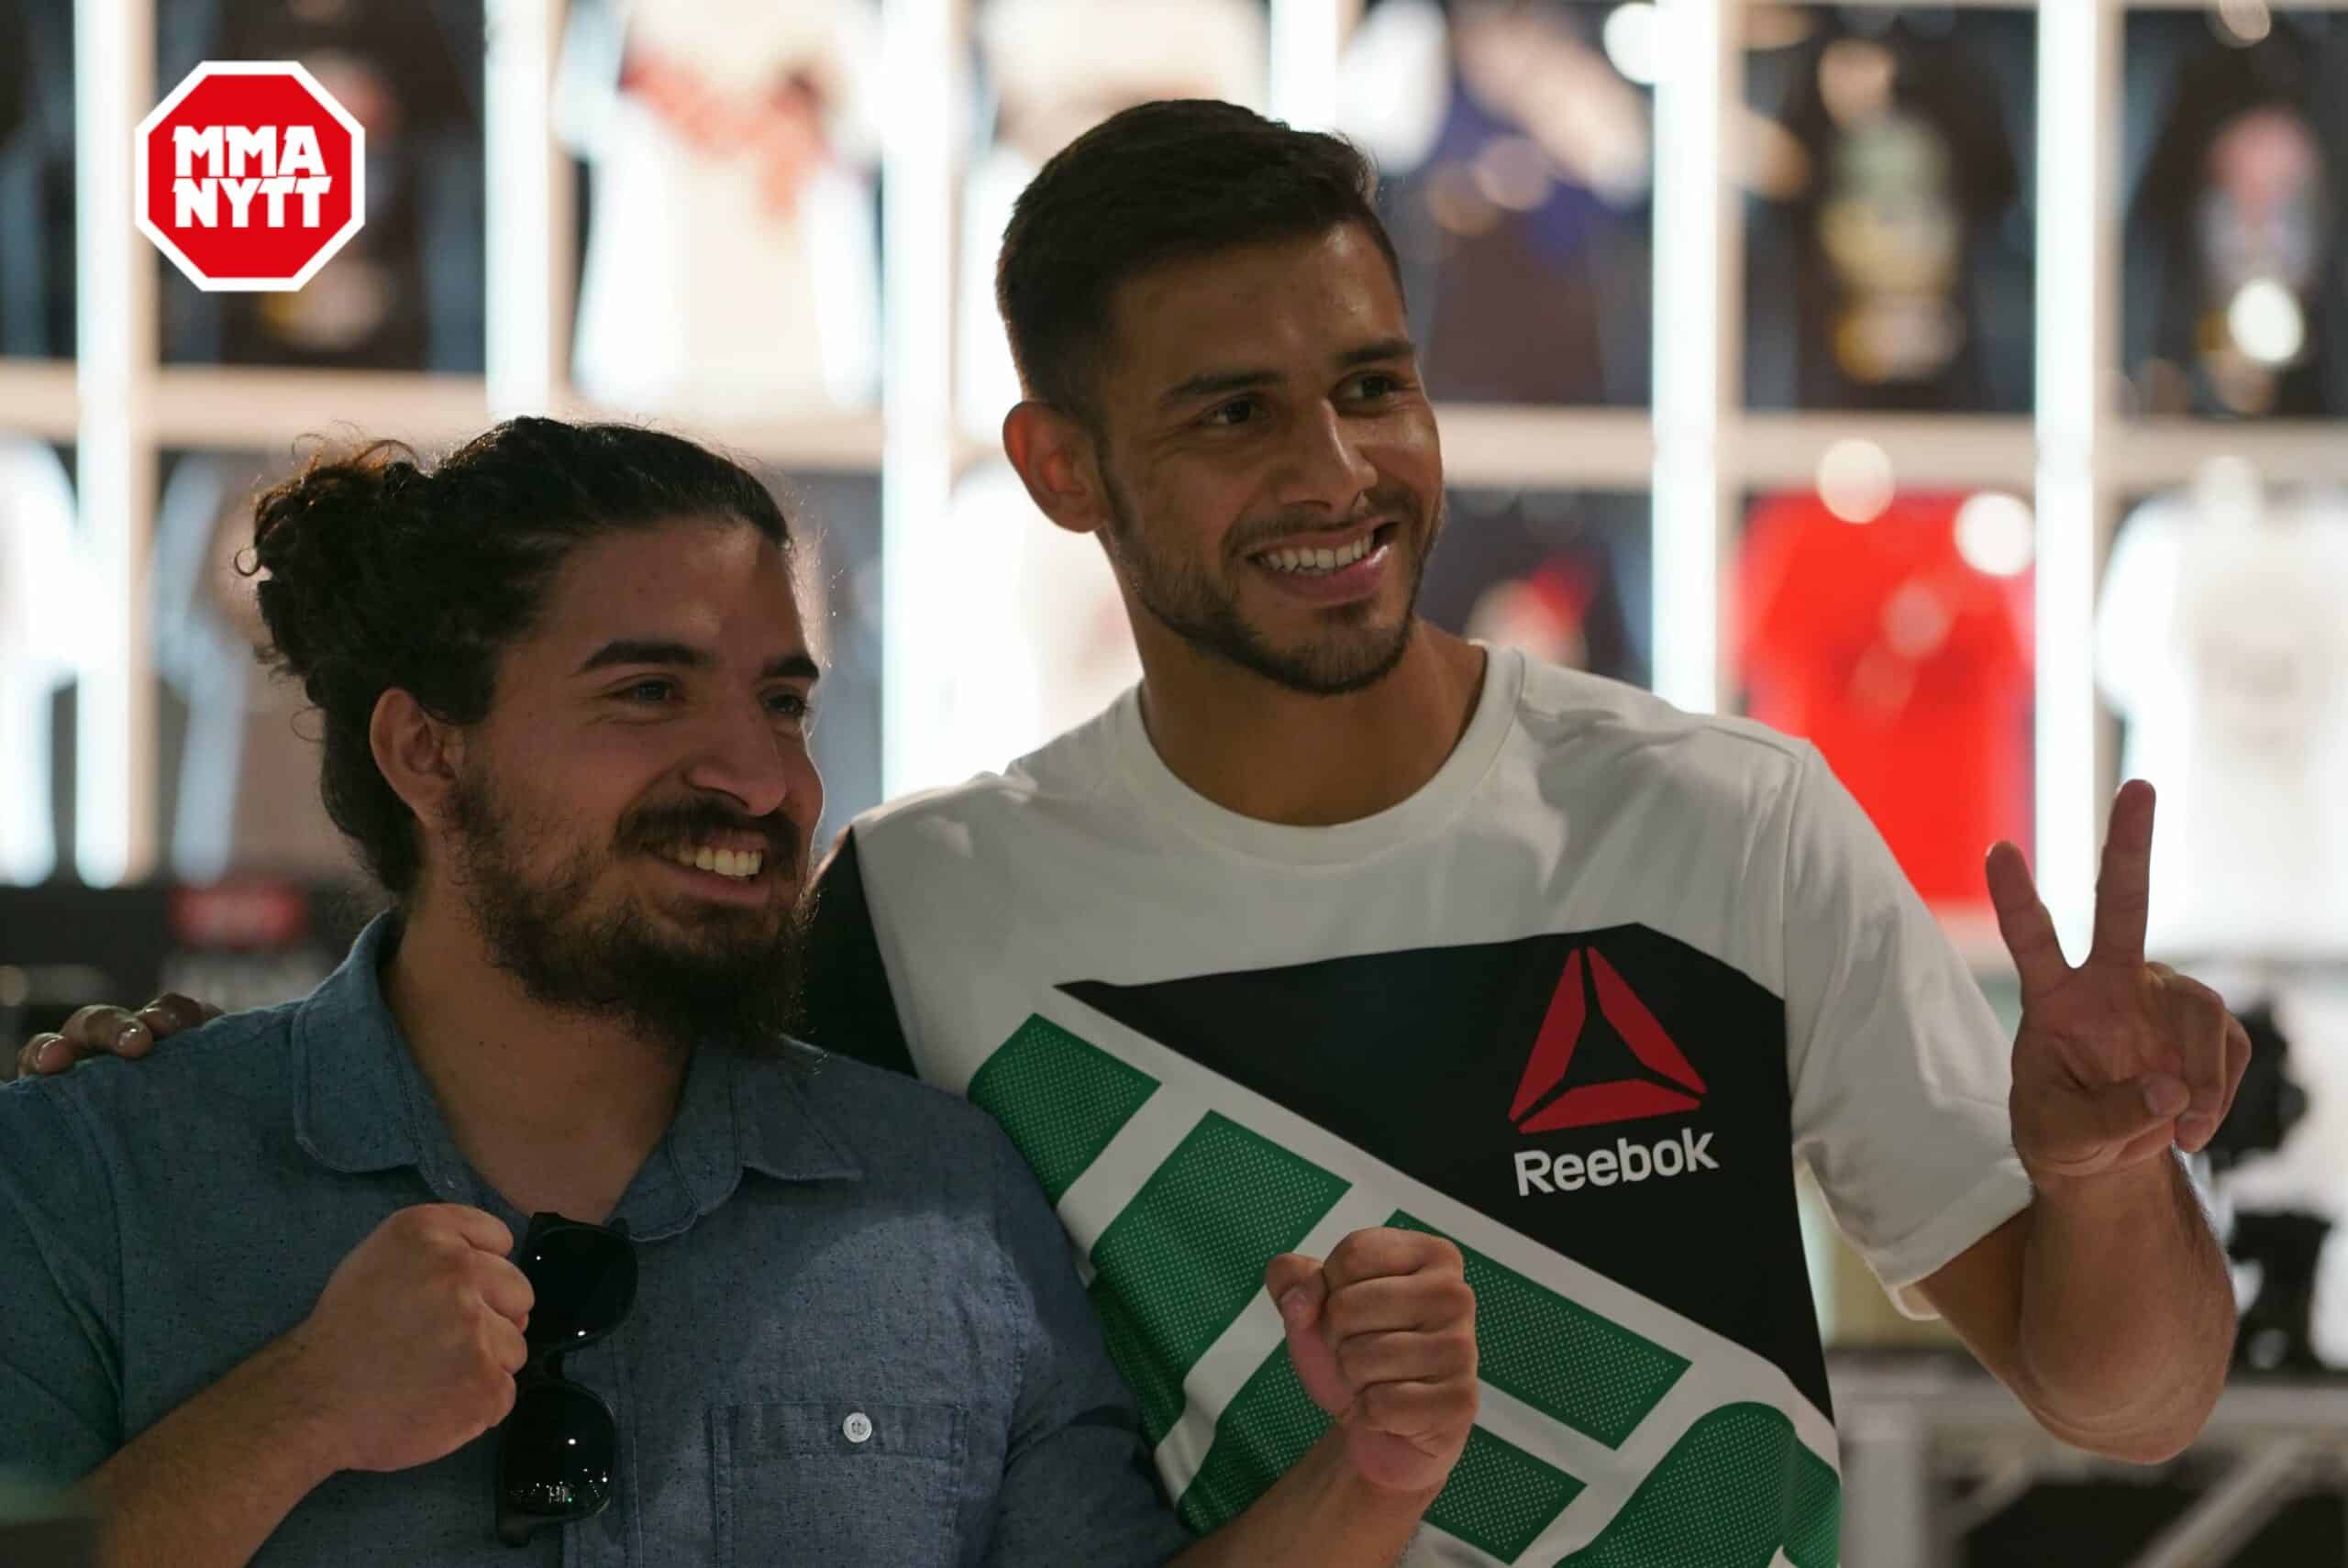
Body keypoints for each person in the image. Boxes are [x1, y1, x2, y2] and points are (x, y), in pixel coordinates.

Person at [20, 101, 2248, 1564]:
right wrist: (197, 1083)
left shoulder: (1721, 819)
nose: (1338, 470)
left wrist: (2092, 1172)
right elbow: (569, 1086)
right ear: (1063, 467)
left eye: (1371, 383)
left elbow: (2122, 1394)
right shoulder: (923, 903)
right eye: (1233, 411)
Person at [0, 419, 1479, 1565]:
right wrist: (298, 1407)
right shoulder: (102, 1167)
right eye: (648, 692)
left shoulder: (946, 1196)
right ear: (428, 753)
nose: (761, 776)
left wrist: (1372, 1465)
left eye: (782, 699)